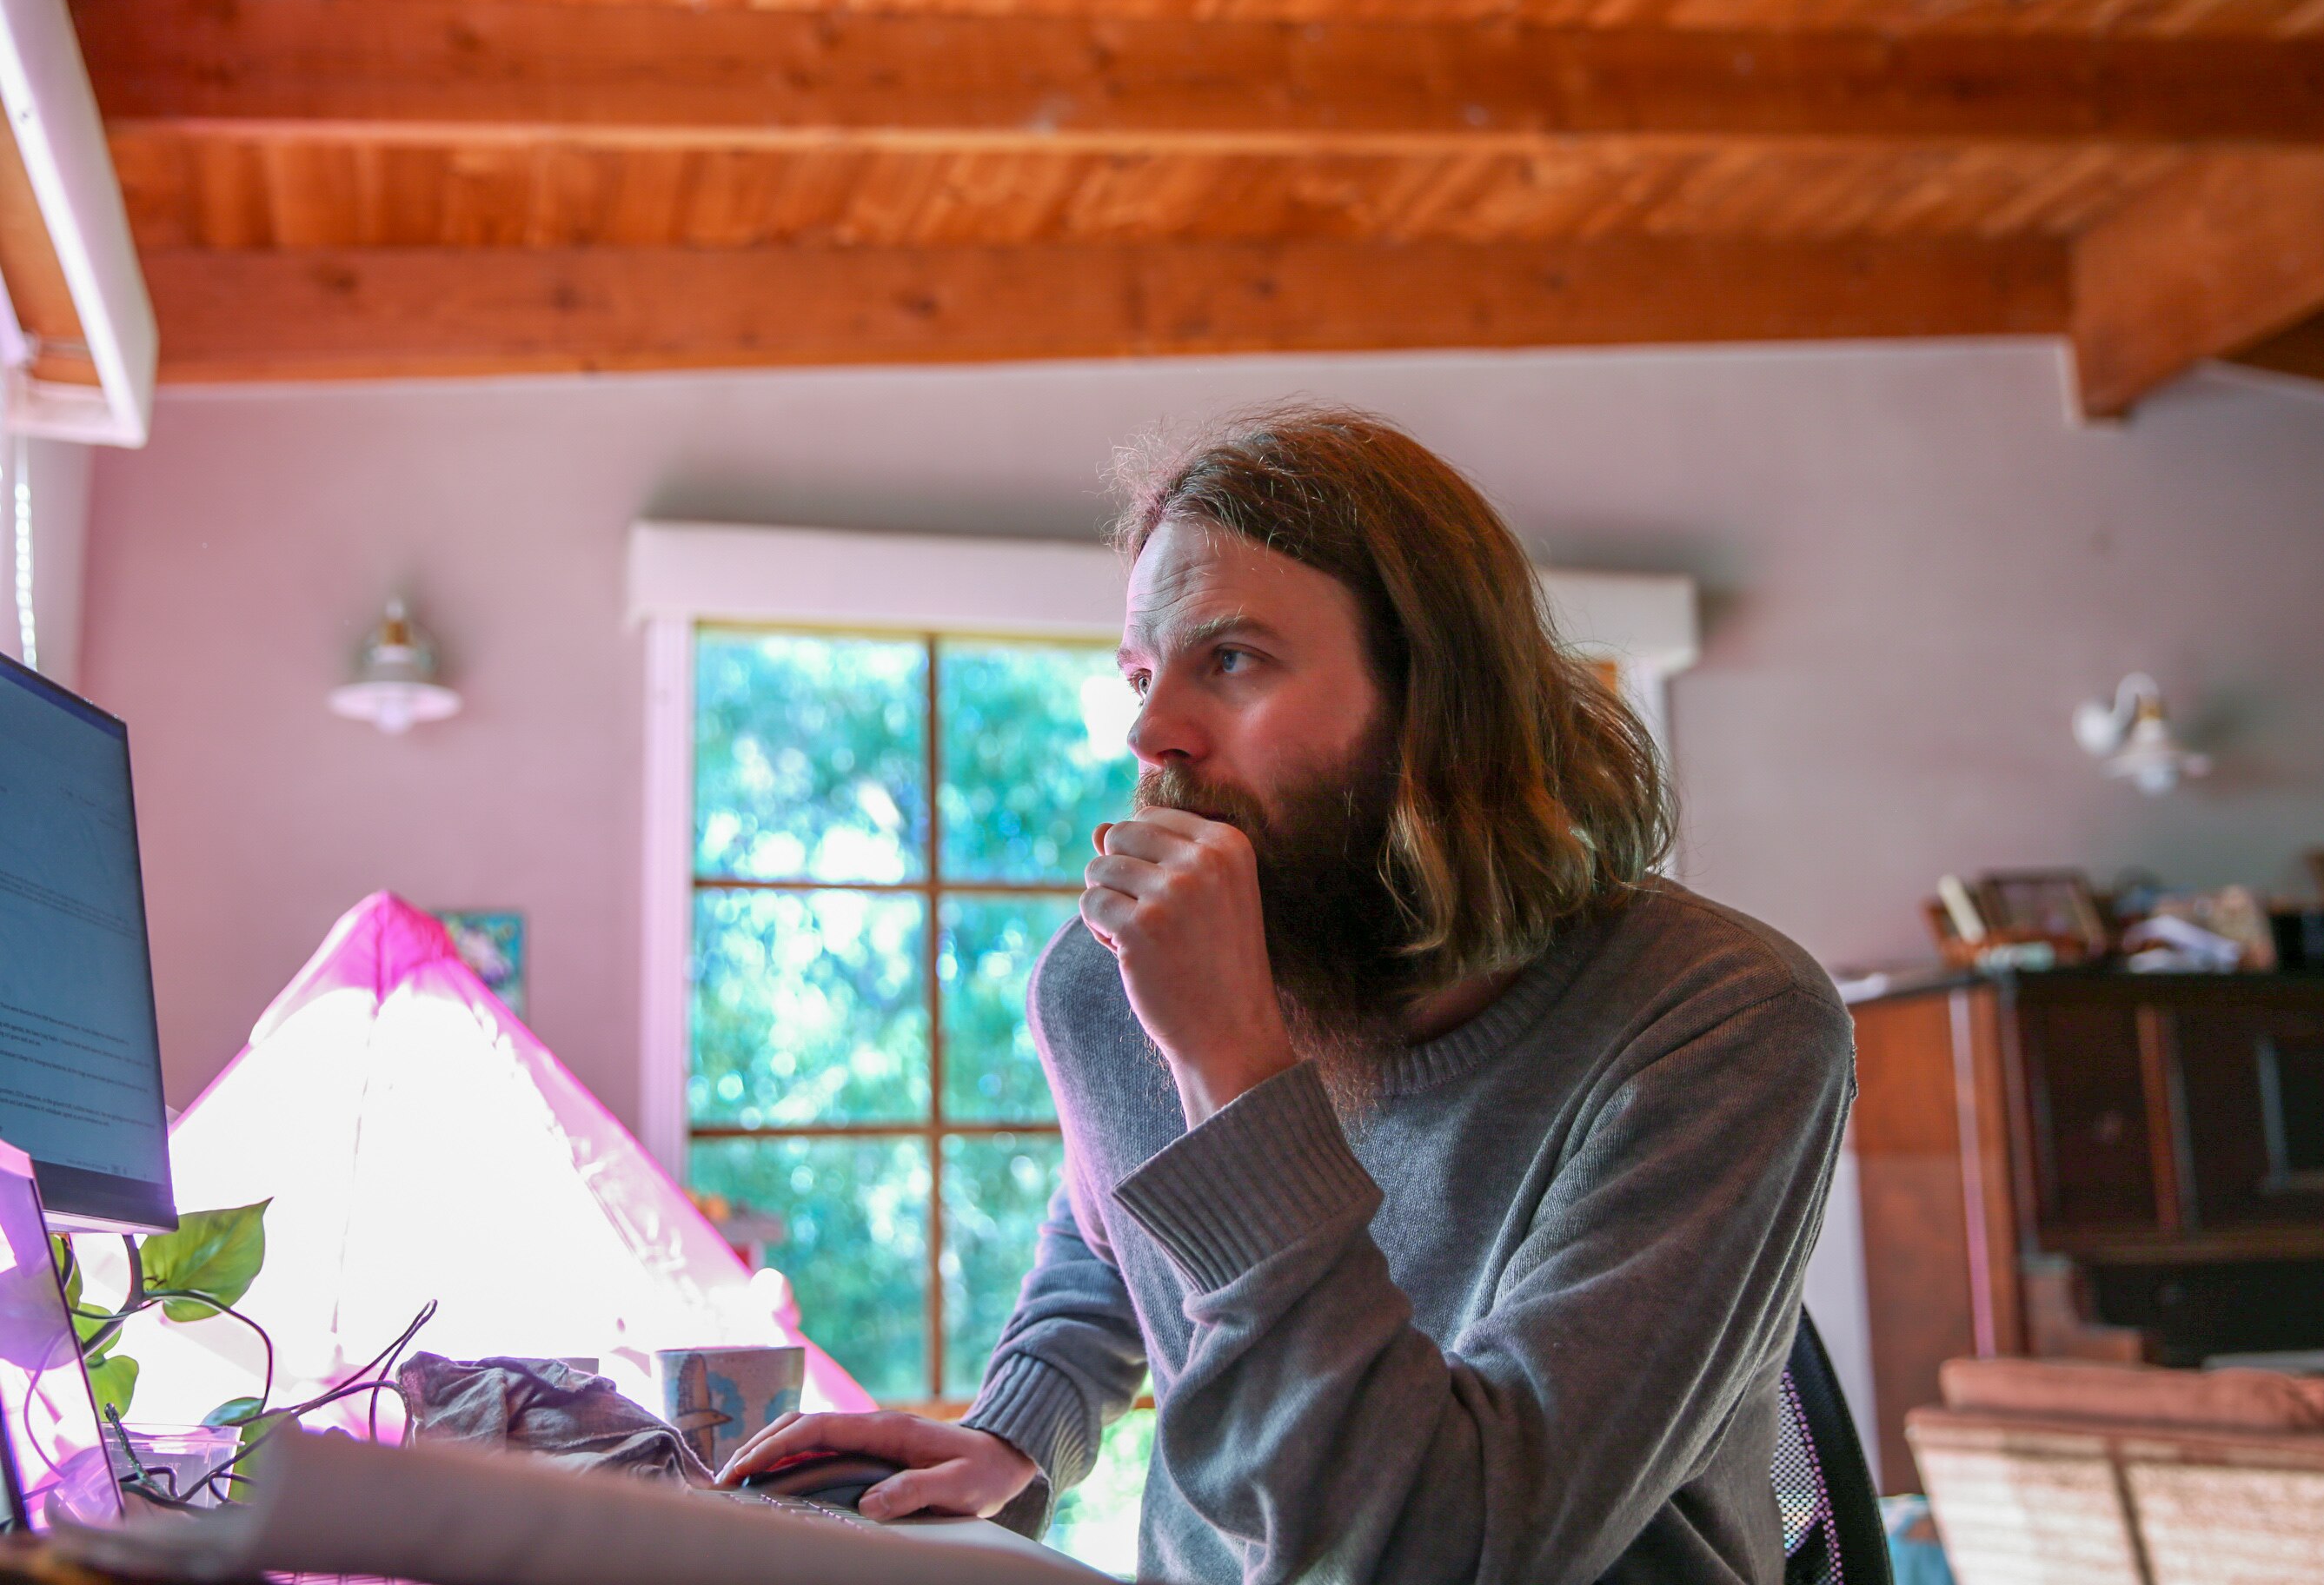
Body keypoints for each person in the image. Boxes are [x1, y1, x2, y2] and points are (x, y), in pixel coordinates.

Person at [719, 407, 1855, 1584]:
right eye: (1144, 674)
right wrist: (1014, 1429)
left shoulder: (1726, 1025)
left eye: (1233, 659)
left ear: (1437, 697)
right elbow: (1112, 1236)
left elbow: (1432, 1555)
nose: (1152, 730)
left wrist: (1231, 1070)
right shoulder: (1111, 989)